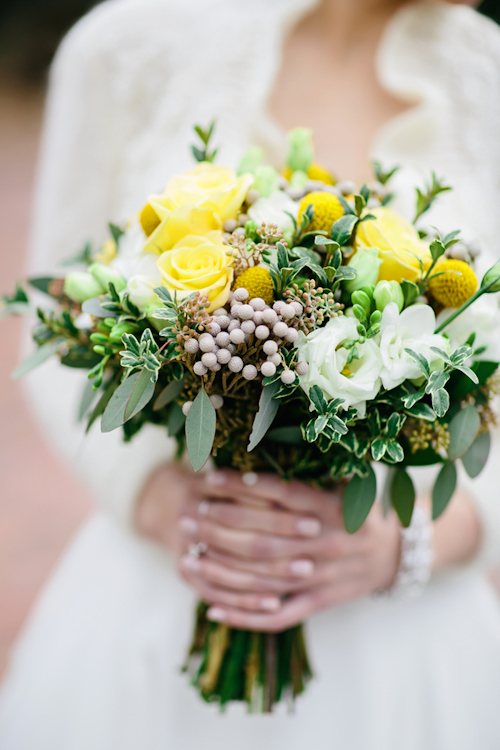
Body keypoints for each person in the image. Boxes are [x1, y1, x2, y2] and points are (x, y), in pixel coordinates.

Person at [1, 0, 500, 748]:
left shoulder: (485, 72)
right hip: (164, 598)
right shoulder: (126, 42)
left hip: (405, 644)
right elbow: (54, 319)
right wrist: (155, 497)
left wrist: (413, 539)